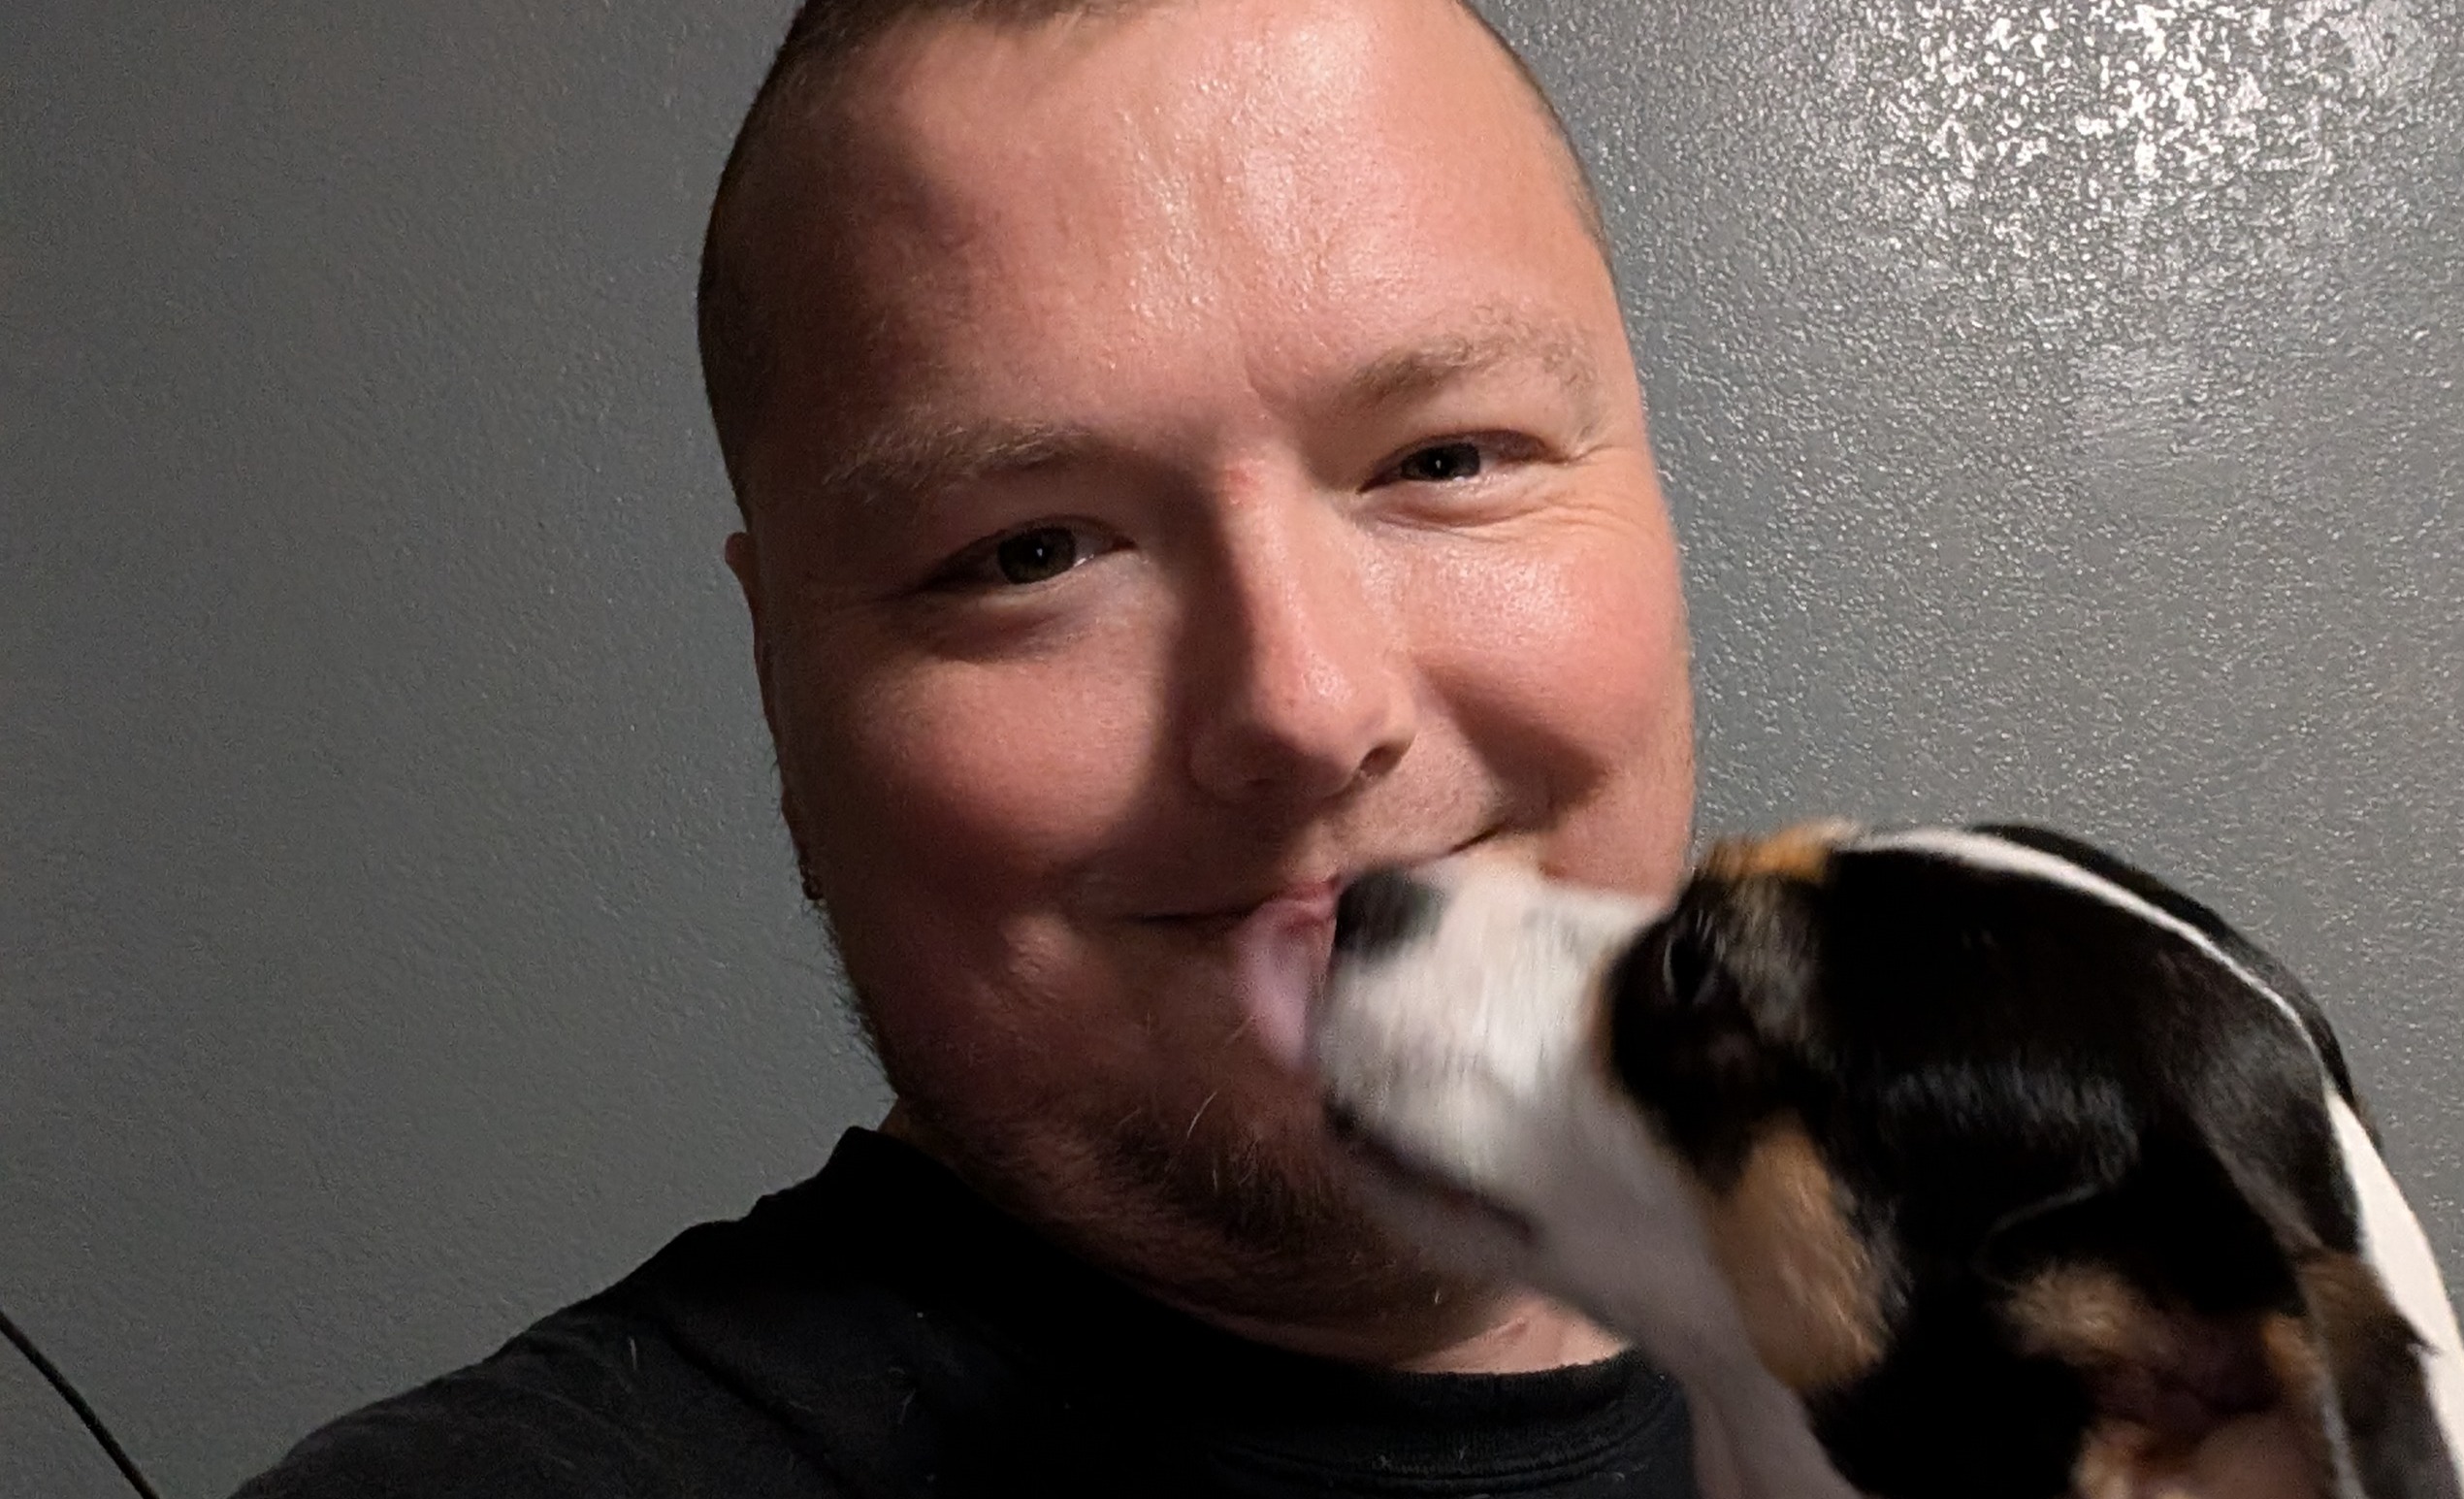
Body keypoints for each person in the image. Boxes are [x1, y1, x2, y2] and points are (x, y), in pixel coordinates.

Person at [234, 2, 2319, 1495]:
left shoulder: (2116, 1366)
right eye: (1028, 550)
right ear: (782, 677)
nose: (1309, 708)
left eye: (1446, 455)